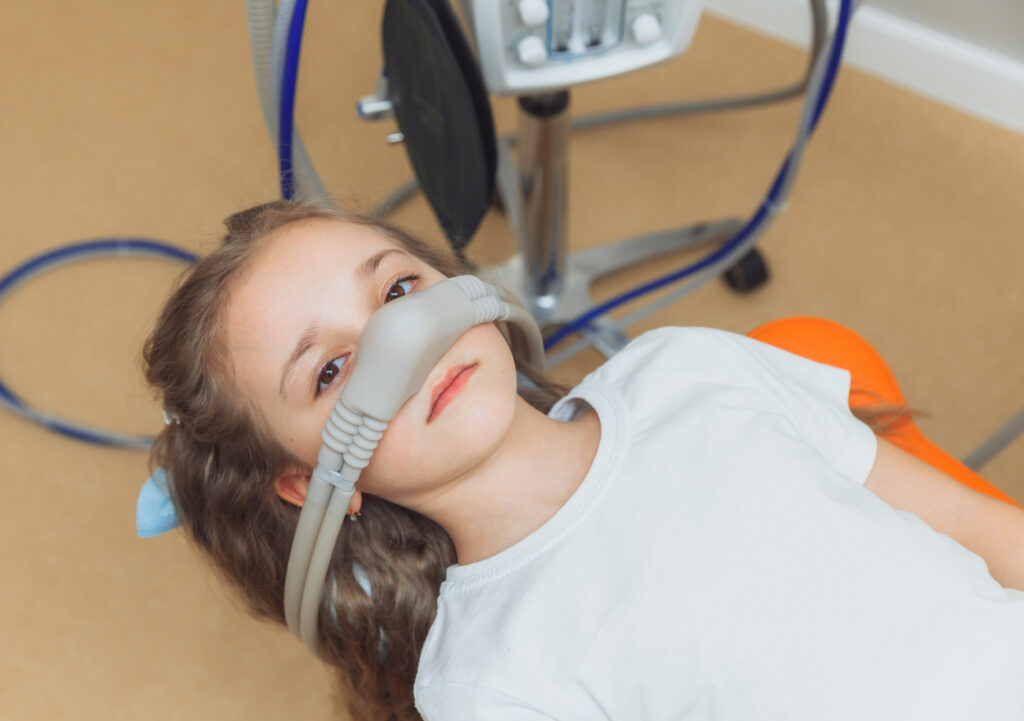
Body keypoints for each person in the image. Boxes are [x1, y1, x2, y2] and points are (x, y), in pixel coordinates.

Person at [140, 200, 1024, 721]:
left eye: (399, 289)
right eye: (333, 370)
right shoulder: (491, 680)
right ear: (310, 484)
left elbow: (966, 523)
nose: (404, 344)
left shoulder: (692, 371)